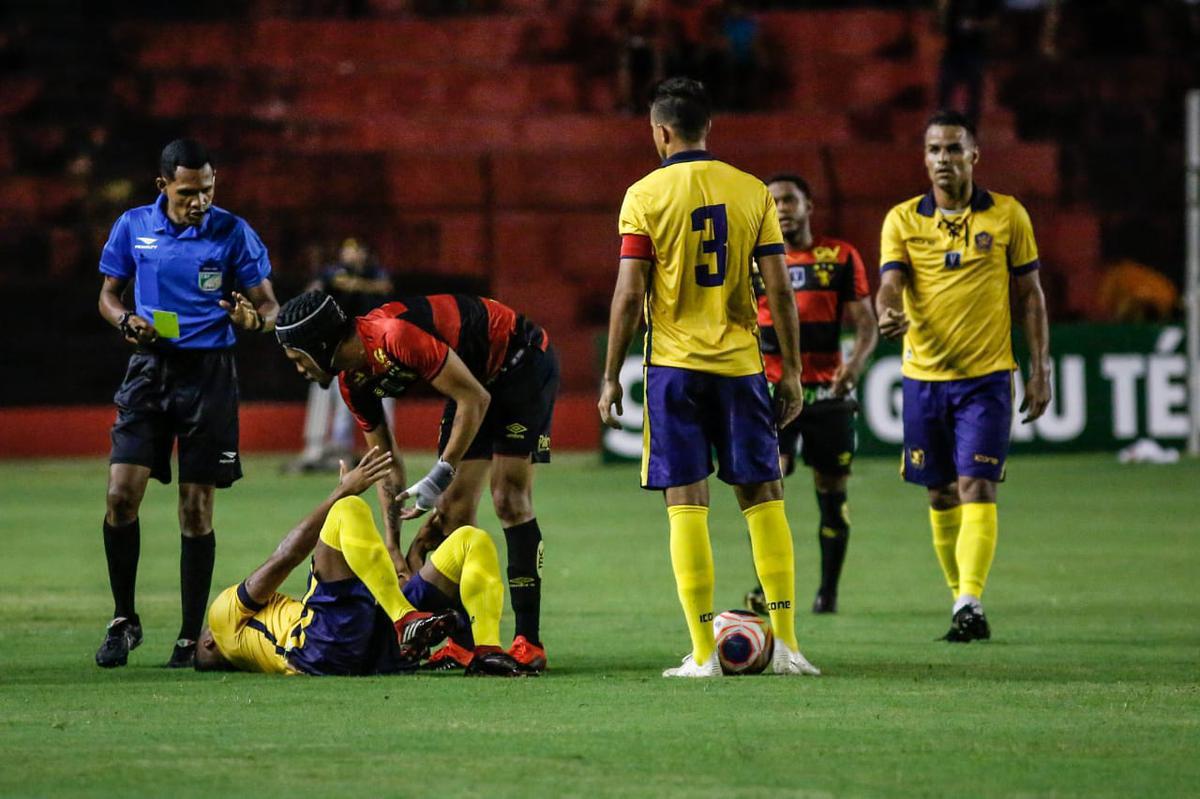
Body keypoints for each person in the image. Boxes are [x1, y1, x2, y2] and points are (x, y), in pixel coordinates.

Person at [598, 77, 819, 678]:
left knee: (686, 503)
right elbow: (780, 289)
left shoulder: (643, 194)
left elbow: (628, 292)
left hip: (673, 368)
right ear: (708, 128)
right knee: (764, 497)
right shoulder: (751, 192)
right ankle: (791, 647)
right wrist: (793, 372)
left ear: (661, 132)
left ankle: (702, 655)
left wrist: (611, 375)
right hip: (742, 365)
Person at [273, 290, 558, 672]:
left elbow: (474, 400)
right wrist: (392, 545)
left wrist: (441, 472)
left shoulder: (394, 336)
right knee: (453, 512)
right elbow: (384, 465)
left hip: (518, 359)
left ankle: (529, 641)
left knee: (508, 498)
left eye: (297, 359)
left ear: (318, 345)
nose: (299, 369)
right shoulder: (353, 384)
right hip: (473, 379)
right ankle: (464, 644)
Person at [95, 138, 279, 669]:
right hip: (149, 370)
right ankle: (123, 619)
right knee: (120, 495)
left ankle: (187, 636)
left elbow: (269, 305)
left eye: (207, 190)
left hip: (209, 376)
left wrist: (254, 320)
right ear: (162, 186)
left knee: (196, 511)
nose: (199, 201)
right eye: (187, 192)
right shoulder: (134, 226)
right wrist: (124, 319)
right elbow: (108, 296)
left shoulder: (232, 231)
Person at [876, 109, 1051, 642]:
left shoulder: (1008, 216)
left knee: (976, 485)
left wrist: (1039, 367)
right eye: (934, 150)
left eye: (954, 149)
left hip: (987, 378)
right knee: (940, 494)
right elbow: (889, 282)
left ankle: (969, 600)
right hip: (923, 377)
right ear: (923, 159)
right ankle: (960, 599)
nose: (943, 159)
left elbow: (1030, 297)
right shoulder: (903, 219)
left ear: (974, 155)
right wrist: (887, 309)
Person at [193, 447, 535, 678]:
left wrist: (414, 554)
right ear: (208, 641)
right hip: (320, 647)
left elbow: (372, 587)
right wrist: (341, 492)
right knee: (347, 510)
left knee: (469, 541)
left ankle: (485, 653)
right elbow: (286, 558)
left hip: (360, 642)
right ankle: (406, 620)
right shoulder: (222, 621)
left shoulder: (266, 630)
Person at [744, 174, 878, 617]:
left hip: (826, 393)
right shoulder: (752, 260)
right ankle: (769, 586)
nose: (781, 208)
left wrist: (853, 367)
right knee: (768, 482)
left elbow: (866, 324)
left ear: (809, 205)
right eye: (774, 201)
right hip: (770, 389)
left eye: (789, 200)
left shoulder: (840, 256)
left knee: (831, 490)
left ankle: (828, 593)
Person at [290, 238, 393, 473]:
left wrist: (352, 283)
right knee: (337, 397)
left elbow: (385, 287)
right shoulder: (332, 274)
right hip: (340, 347)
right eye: (348, 250)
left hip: (375, 347)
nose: (352, 254)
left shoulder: (375, 273)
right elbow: (313, 290)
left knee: (385, 394)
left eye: (356, 250)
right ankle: (328, 451)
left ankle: (386, 451)